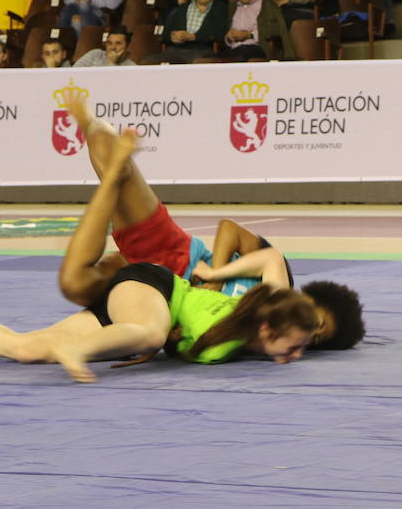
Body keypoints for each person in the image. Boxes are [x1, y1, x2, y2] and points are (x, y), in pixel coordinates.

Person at [0, 131, 321, 383]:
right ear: (267, 327)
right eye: (296, 345)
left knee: (25, 350)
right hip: (153, 285)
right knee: (150, 333)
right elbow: (271, 259)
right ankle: (76, 347)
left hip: (133, 311)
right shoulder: (247, 313)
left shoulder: (243, 339)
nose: (298, 354)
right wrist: (214, 271)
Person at [59, 97, 364, 352]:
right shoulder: (275, 278)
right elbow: (229, 229)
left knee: (75, 285)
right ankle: (90, 127)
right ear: (309, 299)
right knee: (106, 150)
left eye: (317, 338)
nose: (311, 332)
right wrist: (216, 278)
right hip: (173, 255)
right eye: (318, 322)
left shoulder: (257, 338)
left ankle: (110, 186)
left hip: (157, 296)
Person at [153, 0, 229, 62]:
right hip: (176, 50)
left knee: (197, 64)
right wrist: (173, 36)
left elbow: (220, 34)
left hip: (202, 52)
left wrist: (193, 37)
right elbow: (166, 34)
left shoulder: (220, 9)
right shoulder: (182, 8)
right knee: (151, 61)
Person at [224, 0, 289, 60]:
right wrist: (229, 37)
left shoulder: (268, 5)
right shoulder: (232, 8)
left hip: (258, 49)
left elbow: (278, 30)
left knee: (241, 55)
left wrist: (250, 34)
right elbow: (223, 35)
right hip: (233, 50)